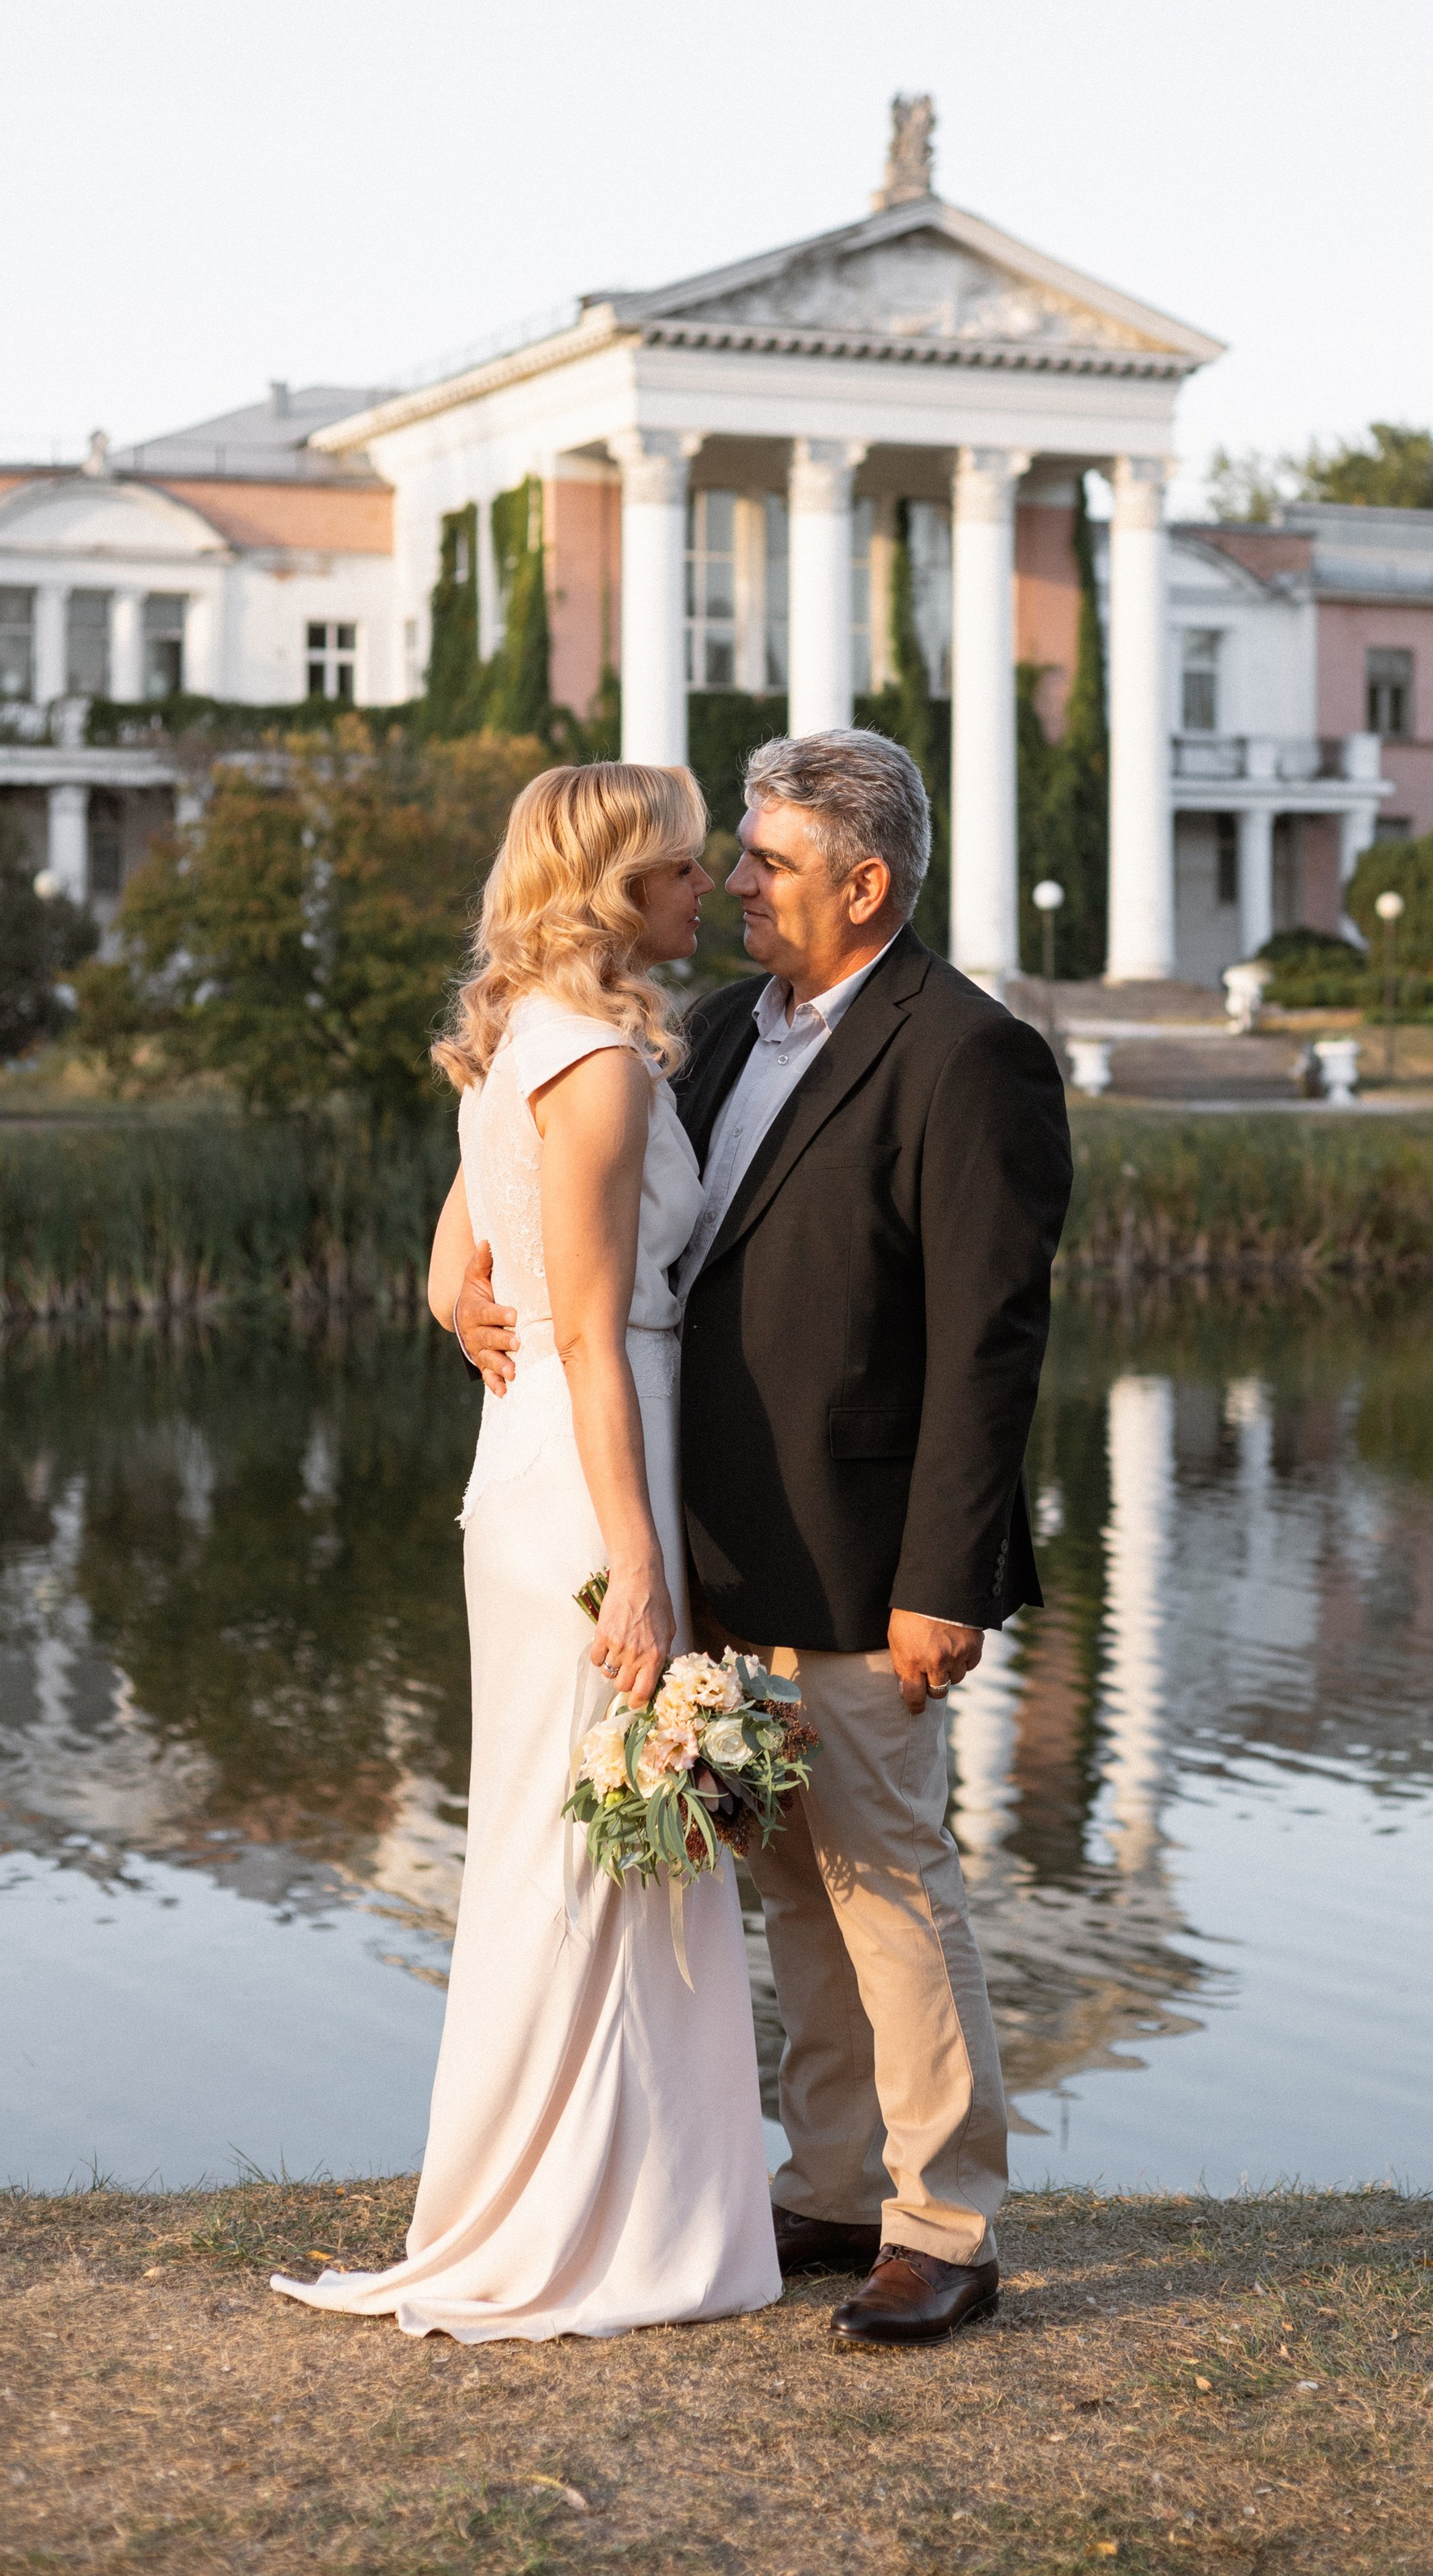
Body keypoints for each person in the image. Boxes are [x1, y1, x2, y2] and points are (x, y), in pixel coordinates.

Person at [458, 729, 1073, 2344]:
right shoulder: (715, 1029)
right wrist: (459, 1266)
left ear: (862, 886)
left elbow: (985, 1346)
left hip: (872, 1560)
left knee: (890, 1876)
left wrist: (950, 1580)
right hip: (710, 1544)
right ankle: (829, 2179)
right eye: (730, 853)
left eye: (769, 862)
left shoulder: (967, 1056)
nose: (731, 880)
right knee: (790, 1874)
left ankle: (943, 2223)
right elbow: (550, 1163)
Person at [273, 761, 780, 2342]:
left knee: (553, 1839)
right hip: (588, 1468)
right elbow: (574, 1314)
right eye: (688, 870)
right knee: (605, 1842)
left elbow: (454, 1265)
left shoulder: (517, 1044)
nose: (713, 892)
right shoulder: (602, 1066)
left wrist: (453, 1308)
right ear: (617, 885)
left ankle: (576, 2189)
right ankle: (599, 2218)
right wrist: (639, 1568)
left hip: (532, 1463)